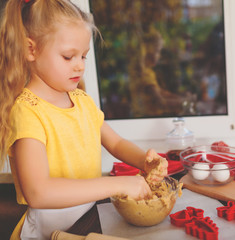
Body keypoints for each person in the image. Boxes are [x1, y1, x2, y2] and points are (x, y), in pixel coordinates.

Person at [0, 1, 168, 239]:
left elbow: (116, 143)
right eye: (68, 57)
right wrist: (118, 184)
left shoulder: (82, 101)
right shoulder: (26, 112)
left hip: (87, 218)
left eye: (84, 56)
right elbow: (39, 192)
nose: (79, 66)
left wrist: (144, 160)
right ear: (31, 50)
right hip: (49, 232)